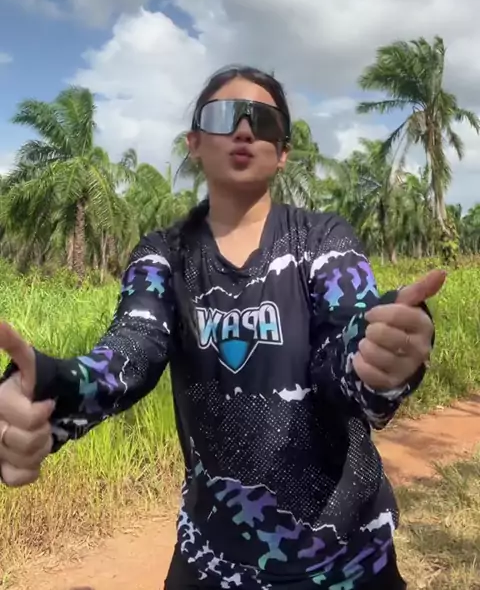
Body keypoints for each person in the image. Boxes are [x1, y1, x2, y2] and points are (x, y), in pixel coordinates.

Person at [0, 66, 443, 590]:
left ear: (283, 152)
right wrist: (47, 390)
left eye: (263, 120)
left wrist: (381, 353)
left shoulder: (323, 239)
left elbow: (347, 338)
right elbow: (131, 349)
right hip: (211, 564)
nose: (244, 130)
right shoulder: (164, 256)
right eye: (224, 116)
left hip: (349, 563)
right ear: (194, 143)